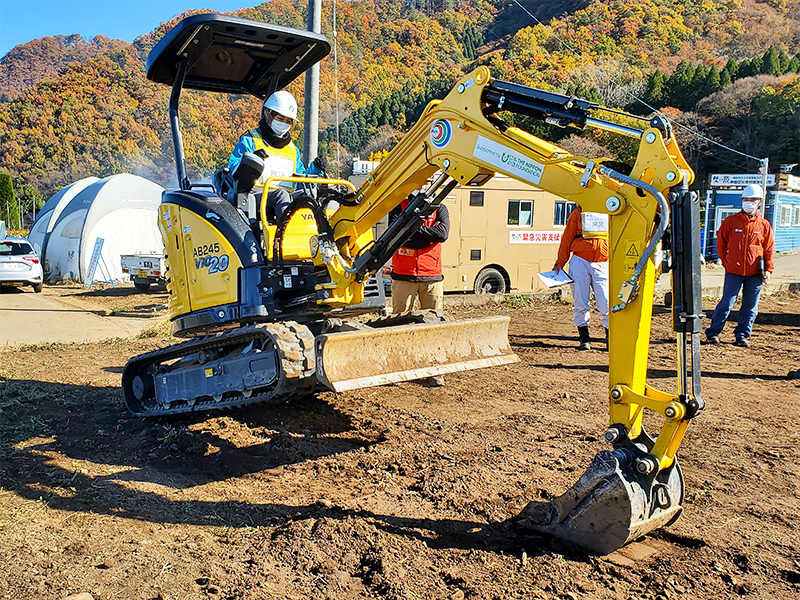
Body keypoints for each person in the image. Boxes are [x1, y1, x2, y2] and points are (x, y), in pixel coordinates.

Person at [227, 90, 326, 222]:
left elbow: (300, 182)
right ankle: (284, 237)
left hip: (284, 197)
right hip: (252, 196)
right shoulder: (250, 140)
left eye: (288, 121)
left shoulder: (292, 149)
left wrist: (316, 169)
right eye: (280, 119)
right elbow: (232, 170)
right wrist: (251, 161)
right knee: (281, 194)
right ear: (268, 114)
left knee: (305, 197)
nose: (284, 124)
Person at [390, 180, 450, 386]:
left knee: (433, 325)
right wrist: (427, 237)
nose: (426, 184)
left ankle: (434, 369)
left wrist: (412, 230)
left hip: (432, 275)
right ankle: (398, 368)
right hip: (403, 274)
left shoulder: (440, 207)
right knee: (399, 324)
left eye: (429, 181)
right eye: (423, 179)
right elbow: (397, 236)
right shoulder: (398, 205)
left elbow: (443, 234)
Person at [705, 184, 774, 348]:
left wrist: (769, 269)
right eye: (746, 199)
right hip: (733, 272)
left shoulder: (764, 225)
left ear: (759, 202)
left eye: (753, 200)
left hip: (755, 274)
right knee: (726, 304)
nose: (749, 202)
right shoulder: (730, 221)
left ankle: (742, 335)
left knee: (750, 307)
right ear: (742, 200)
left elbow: (769, 248)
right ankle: (713, 333)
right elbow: (721, 243)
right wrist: (725, 262)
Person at [554, 207, 609, 351]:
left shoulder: (611, 208)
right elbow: (567, 239)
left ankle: (610, 338)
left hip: (604, 261)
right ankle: (584, 338)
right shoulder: (577, 213)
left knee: (606, 302)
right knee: (580, 301)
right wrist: (560, 263)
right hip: (580, 261)